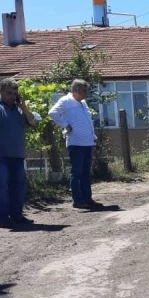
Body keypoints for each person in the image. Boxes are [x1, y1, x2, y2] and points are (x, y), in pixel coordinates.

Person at [0, 79, 37, 228]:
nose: (12, 96)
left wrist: (24, 107)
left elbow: (33, 122)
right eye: (9, 93)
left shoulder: (19, 109)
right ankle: (1, 218)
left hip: (17, 155)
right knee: (1, 188)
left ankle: (17, 215)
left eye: (15, 93)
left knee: (18, 187)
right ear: (0, 91)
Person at [48, 79, 102, 210]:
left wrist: (93, 137)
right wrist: (65, 125)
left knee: (85, 173)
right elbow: (52, 113)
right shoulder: (65, 100)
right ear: (76, 90)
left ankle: (87, 198)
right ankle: (77, 200)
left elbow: (87, 120)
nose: (86, 93)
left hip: (87, 142)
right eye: (84, 91)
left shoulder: (83, 103)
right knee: (77, 172)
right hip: (76, 142)